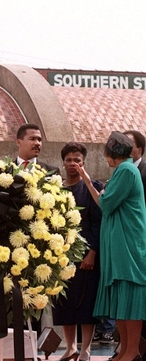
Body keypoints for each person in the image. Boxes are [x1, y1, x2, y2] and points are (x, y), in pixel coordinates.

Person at [77, 131, 146, 361]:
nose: (106, 160)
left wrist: (92, 184)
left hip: (128, 246)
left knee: (131, 297)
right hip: (119, 246)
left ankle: (131, 351)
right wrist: (87, 178)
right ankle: (125, 351)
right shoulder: (122, 171)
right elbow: (104, 200)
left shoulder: (126, 170)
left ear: (112, 154)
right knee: (122, 301)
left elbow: (105, 205)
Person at [52, 142, 103, 361]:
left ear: (84, 163)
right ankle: (70, 347)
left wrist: (92, 252)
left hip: (86, 254)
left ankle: (85, 350)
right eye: (69, 160)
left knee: (86, 303)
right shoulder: (54, 188)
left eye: (77, 160)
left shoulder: (92, 187)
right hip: (60, 255)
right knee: (64, 301)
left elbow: (97, 222)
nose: (73, 164)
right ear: (63, 162)